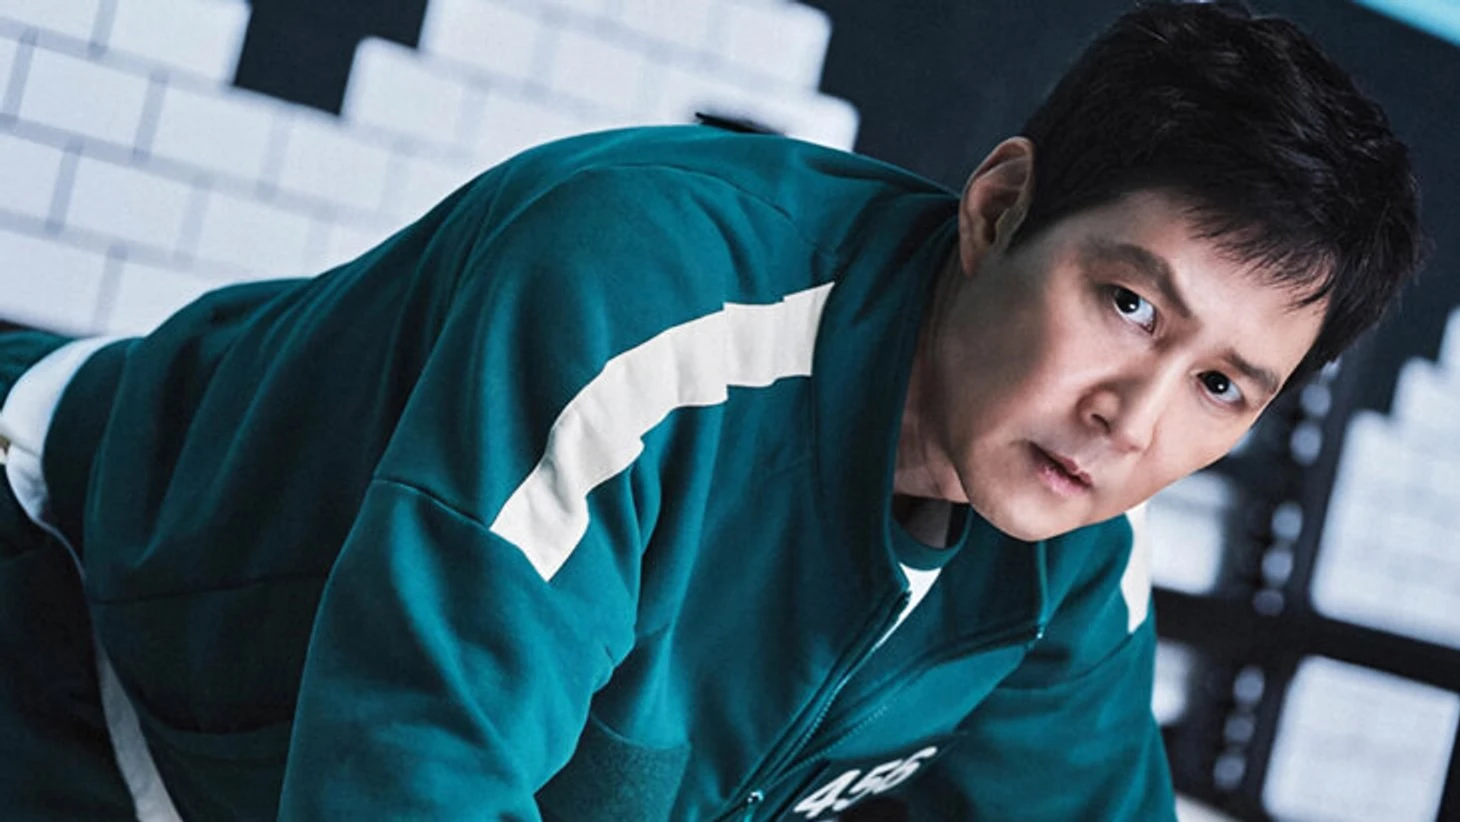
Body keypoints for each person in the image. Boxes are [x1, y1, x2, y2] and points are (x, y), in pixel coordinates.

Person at [0, 2, 1422, 820]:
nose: (1134, 418)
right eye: (1130, 305)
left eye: (1221, 386)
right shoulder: (645, 297)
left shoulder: (1065, 568)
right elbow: (407, 775)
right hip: (62, 614)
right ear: (999, 210)